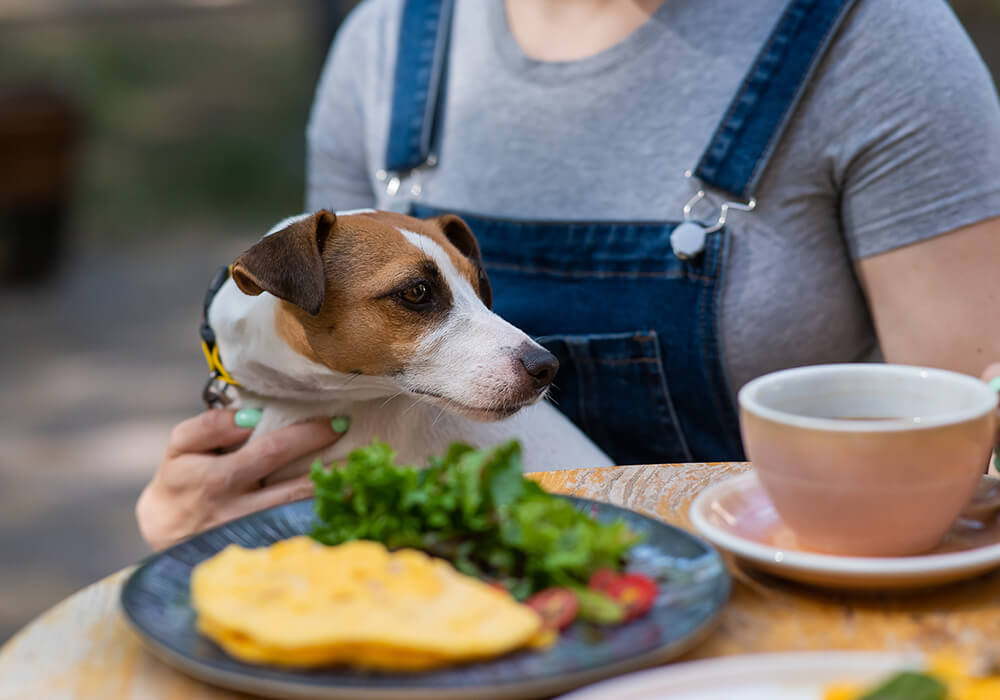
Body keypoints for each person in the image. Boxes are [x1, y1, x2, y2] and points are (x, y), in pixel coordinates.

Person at [137, 0, 1000, 550]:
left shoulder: (872, 38)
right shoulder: (386, 42)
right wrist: (196, 525)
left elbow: (965, 450)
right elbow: (314, 348)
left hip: (753, 587)